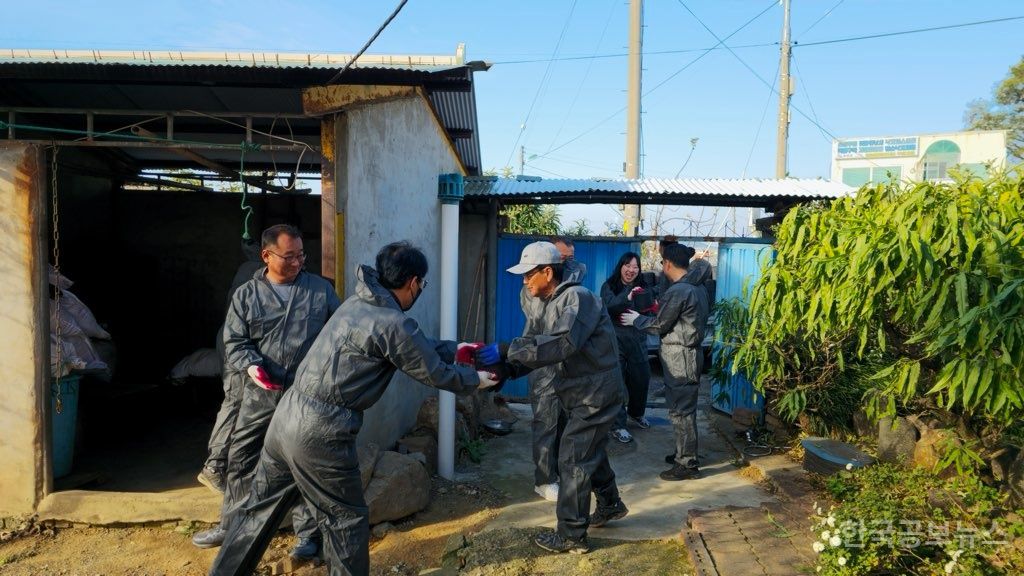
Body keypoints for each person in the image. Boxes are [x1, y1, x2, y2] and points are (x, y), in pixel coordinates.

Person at [208, 241, 499, 576]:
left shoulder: (356, 304)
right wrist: (476, 380)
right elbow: (434, 371)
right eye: (422, 285)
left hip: (285, 418)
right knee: (346, 521)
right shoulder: (394, 323)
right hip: (322, 432)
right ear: (414, 282)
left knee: (257, 511)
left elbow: (409, 347)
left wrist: (456, 348)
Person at [192, 225, 341, 562]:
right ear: (266, 256)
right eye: (289, 257)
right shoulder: (246, 295)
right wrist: (250, 366)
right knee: (241, 459)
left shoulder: (320, 291)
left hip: (305, 396)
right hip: (260, 393)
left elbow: (339, 335)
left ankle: (307, 537)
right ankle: (232, 526)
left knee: (301, 460)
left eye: (301, 256)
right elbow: (234, 340)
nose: (298, 263)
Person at [483, 241, 627, 554]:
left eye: (528, 275)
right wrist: (507, 370)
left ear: (548, 272)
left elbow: (561, 345)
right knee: (588, 449)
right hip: (579, 391)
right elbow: (540, 347)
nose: (524, 282)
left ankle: (572, 535)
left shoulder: (577, 298)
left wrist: (508, 349)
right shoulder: (552, 303)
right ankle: (611, 503)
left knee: (574, 457)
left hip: (595, 394)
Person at [620, 244, 710, 481]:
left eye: (662, 263)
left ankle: (687, 464)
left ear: (668, 263)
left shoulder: (680, 291)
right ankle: (684, 453)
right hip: (688, 354)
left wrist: (637, 320)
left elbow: (660, 324)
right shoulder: (697, 287)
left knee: (681, 411)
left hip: (681, 356)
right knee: (682, 409)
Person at [522, 236, 586, 502]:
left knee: (564, 422)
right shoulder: (534, 287)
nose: (566, 262)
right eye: (561, 257)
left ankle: (559, 473)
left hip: (566, 363)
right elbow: (543, 325)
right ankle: (544, 480)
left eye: (568, 257)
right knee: (545, 421)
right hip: (543, 360)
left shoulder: (574, 285)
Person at [199, 239, 265, 494]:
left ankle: (233, 468)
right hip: (237, 346)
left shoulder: (249, 271)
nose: (296, 262)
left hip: (236, 342)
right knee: (236, 403)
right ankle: (214, 467)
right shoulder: (253, 274)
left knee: (241, 405)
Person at [600, 252, 655, 444]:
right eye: (628, 266)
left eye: (635, 267)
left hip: (638, 340)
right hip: (615, 340)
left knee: (641, 378)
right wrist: (627, 295)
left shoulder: (644, 286)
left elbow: (651, 309)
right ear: (621, 266)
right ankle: (618, 425)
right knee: (617, 384)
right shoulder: (609, 286)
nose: (631, 270)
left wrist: (652, 304)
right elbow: (608, 308)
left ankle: (636, 413)